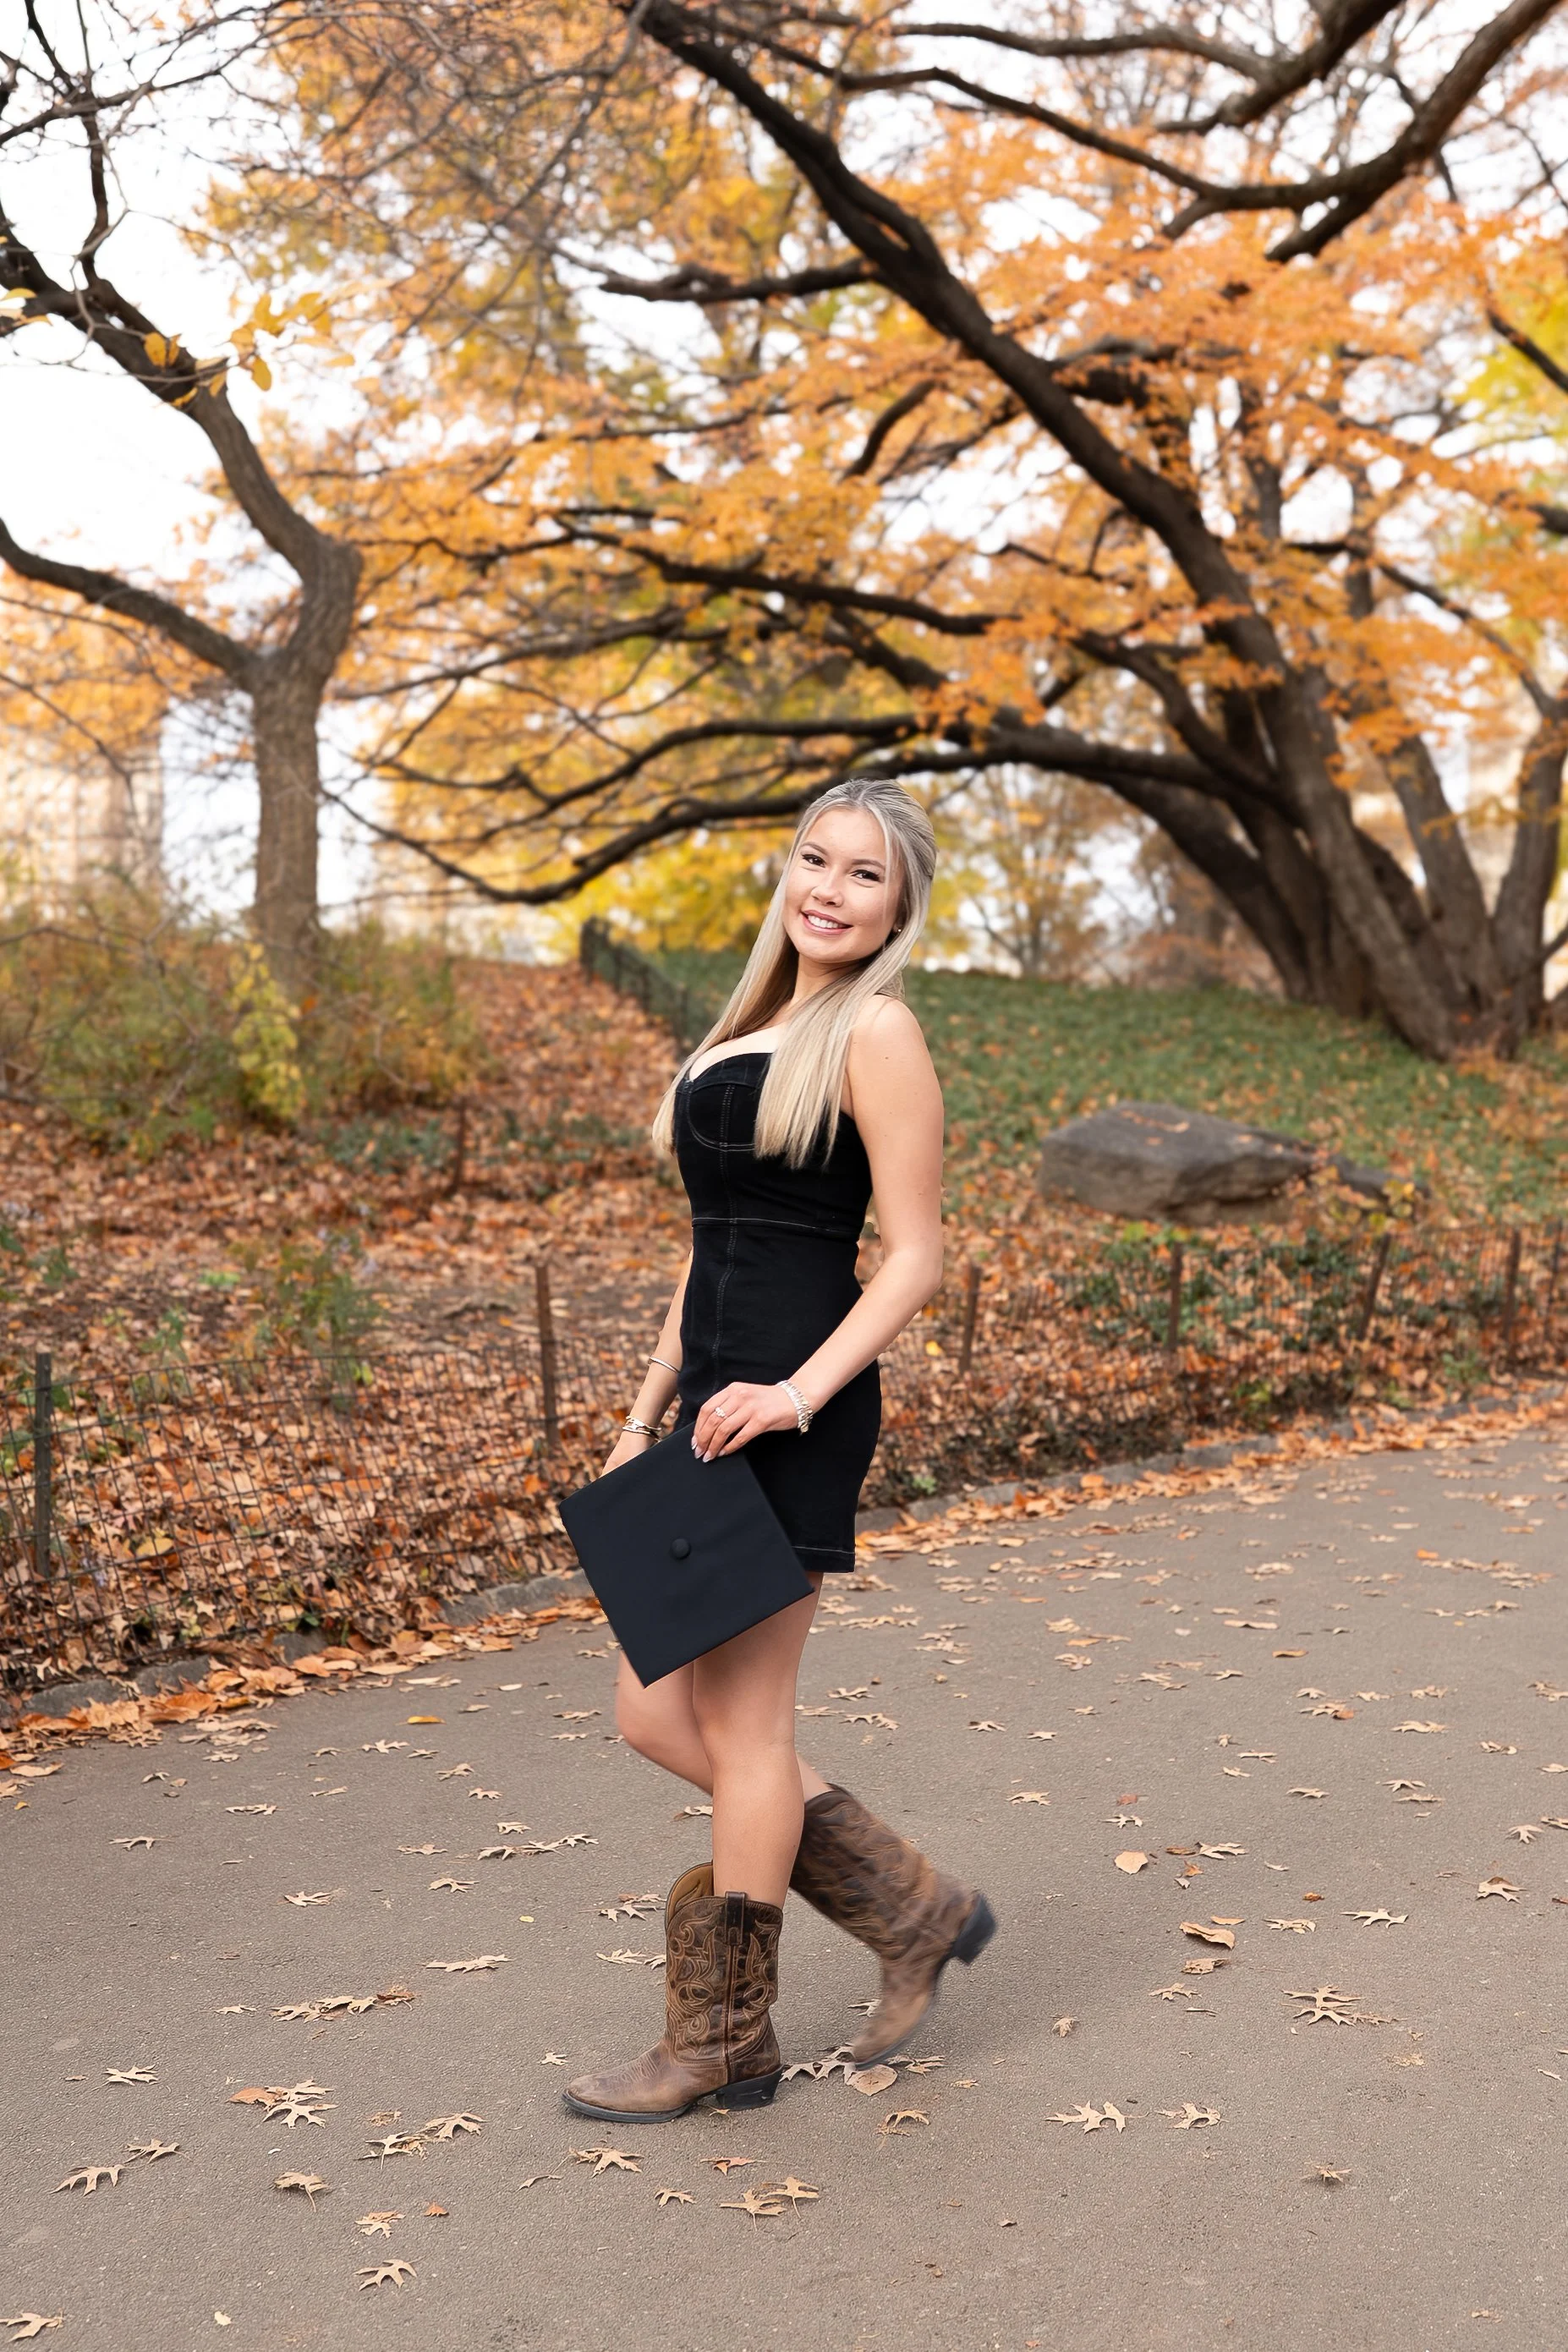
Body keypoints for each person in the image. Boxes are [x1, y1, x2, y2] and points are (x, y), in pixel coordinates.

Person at [564, 778, 995, 2125]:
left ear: (899, 906)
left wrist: (797, 1394)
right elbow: (709, 1256)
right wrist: (645, 1408)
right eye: (814, 858)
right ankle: (911, 1904)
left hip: (795, 1408)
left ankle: (720, 2041)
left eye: (864, 874)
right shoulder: (751, 1027)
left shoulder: (878, 1031)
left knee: (747, 1727)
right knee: (651, 1710)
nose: (828, 887)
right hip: (703, 1407)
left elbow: (914, 1257)